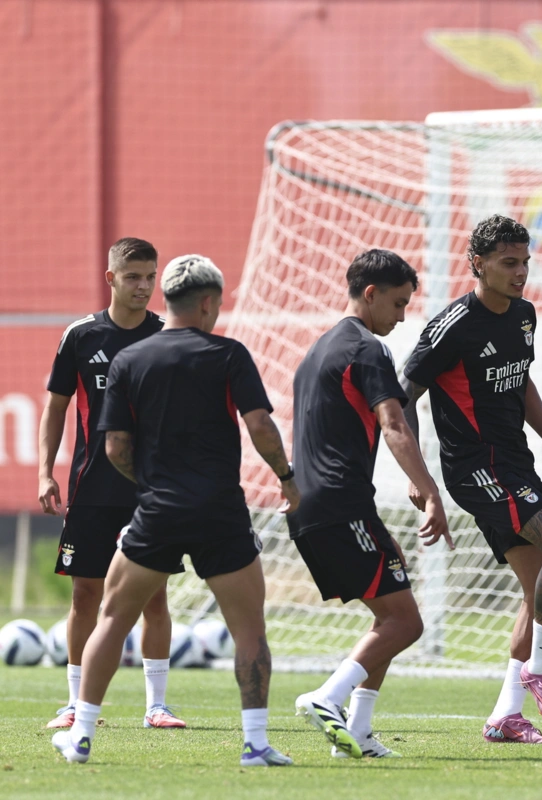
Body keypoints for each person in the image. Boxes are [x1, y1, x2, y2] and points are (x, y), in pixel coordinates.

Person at [51, 255, 299, 767]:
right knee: (249, 629)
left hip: (157, 510)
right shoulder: (230, 355)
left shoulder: (130, 361)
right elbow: (261, 429)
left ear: (167, 297)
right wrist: (288, 479)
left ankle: (81, 735)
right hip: (221, 511)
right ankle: (255, 744)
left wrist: (153, 485)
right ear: (208, 303)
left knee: (113, 617)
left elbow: (116, 446)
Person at [401, 214, 542, 745]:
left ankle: (506, 714)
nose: (521, 272)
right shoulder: (452, 324)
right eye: (509, 263)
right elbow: (400, 397)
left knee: (536, 592)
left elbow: (519, 380)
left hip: (516, 462)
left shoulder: (523, 314)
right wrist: (419, 476)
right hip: (475, 467)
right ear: (477, 264)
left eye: (525, 262)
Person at [290, 249, 452, 759]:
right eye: (398, 303)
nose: (402, 316)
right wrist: (430, 492)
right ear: (370, 294)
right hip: (340, 504)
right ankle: (327, 698)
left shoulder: (318, 349)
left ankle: (356, 732)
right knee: (407, 623)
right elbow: (395, 423)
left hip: (315, 506)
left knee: (391, 611)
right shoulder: (365, 349)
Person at [38, 237, 184, 730]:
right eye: (134, 277)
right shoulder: (80, 336)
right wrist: (44, 471)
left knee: (155, 595)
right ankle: (77, 704)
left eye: (151, 276)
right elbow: (56, 406)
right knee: (85, 594)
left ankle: (157, 706)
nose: (144, 286)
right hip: (92, 490)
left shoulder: (168, 333)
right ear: (111, 279)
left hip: (151, 492)